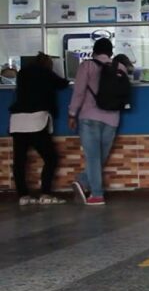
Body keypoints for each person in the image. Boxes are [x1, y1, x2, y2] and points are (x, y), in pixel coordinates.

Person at [69, 38, 129, 206]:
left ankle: (96, 194)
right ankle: (82, 182)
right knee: (100, 157)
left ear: (94, 51)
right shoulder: (120, 67)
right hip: (112, 118)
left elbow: (79, 92)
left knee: (93, 157)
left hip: (89, 117)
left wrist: (72, 113)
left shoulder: (86, 66)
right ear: (111, 53)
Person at [9, 53, 69, 206]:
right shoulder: (45, 73)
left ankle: (23, 196)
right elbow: (62, 84)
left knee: (20, 161)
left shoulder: (22, 73)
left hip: (17, 120)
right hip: (36, 120)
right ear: (48, 64)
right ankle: (45, 193)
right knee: (50, 158)